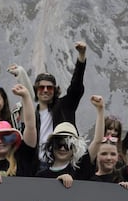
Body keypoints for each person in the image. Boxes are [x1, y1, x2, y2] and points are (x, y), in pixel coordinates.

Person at [33, 41, 88, 169]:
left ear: (55, 90)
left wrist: (81, 57)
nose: (45, 90)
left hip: (63, 162)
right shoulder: (32, 114)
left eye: (49, 88)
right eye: (41, 88)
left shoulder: (65, 106)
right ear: (36, 90)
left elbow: (76, 87)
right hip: (38, 166)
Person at [91, 96, 128, 189]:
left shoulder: (121, 175)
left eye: (113, 154)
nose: (109, 158)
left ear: (118, 156)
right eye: (104, 153)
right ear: (96, 155)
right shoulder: (86, 175)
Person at [35, 121, 93, 188]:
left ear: (74, 148)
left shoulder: (79, 171)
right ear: (51, 146)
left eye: (67, 146)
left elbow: (97, 141)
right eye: (58, 144)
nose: (62, 149)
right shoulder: (41, 175)